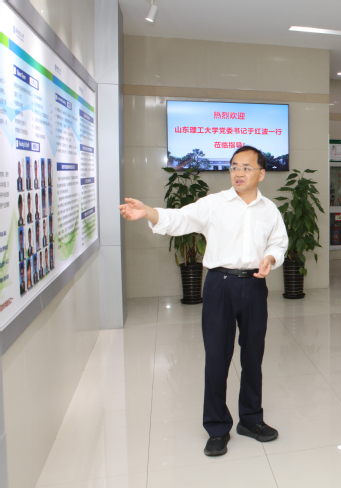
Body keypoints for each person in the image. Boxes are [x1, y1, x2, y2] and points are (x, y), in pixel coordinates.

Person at [119, 145, 288, 457]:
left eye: (246, 167)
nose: (238, 173)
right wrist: (149, 212)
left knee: (253, 356)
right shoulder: (214, 204)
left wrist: (270, 258)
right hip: (219, 286)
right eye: (234, 166)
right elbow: (180, 219)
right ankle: (217, 427)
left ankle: (251, 419)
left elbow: (279, 243)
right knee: (217, 357)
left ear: (261, 174)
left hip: (254, 285)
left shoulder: (269, 210)